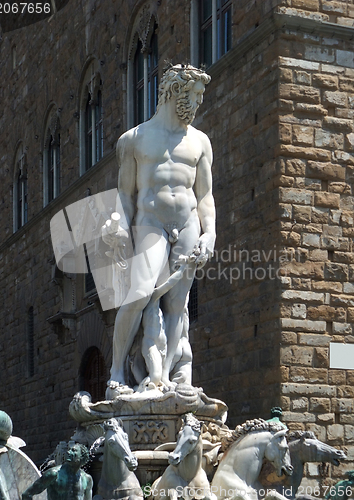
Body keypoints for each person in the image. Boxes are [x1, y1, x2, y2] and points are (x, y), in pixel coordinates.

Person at [102, 64, 215, 393]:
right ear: (175, 92)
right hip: (150, 221)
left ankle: (165, 378)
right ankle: (117, 371)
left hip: (189, 222)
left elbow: (205, 196)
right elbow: (125, 194)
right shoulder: (134, 140)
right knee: (139, 294)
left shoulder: (200, 142)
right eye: (195, 95)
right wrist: (120, 225)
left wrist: (210, 234)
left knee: (177, 304)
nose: (198, 102)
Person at [21, 443, 93, 500]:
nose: (68, 452)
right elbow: (27, 494)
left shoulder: (87, 479)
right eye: (69, 449)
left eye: (73, 450)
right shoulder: (54, 474)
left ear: (82, 457)